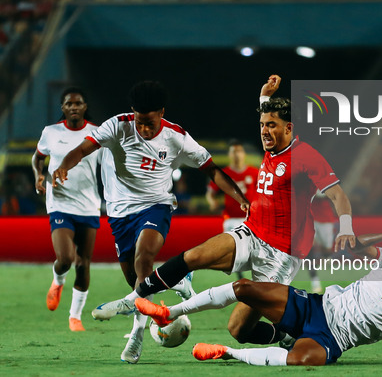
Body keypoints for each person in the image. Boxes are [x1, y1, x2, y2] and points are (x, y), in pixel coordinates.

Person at [91, 75, 356, 354]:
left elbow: (338, 194)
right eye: (262, 125)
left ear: (289, 128)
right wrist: (264, 96)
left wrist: (347, 227)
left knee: (240, 330)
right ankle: (133, 299)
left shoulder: (307, 157)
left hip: (283, 252)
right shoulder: (272, 142)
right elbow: (268, 117)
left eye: (271, 126)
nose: (264, 131)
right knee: (193, 256)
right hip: (252, 232)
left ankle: (289, 334)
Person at [52, 80, 250, 363]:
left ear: (162, 113)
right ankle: (176, 283)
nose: (144, 129)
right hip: (119, 214)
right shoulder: (117, 125)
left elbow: (211, 169)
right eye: (139, 122)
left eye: (150, 123)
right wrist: (62, 166)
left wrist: (239, 196)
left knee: (143, 258)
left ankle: (136, 336)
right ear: (132, 112)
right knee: (137, 282)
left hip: (156, 207)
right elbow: (82, 150)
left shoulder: (176, 136)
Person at [136, 221, 382, 367]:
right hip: (316, 306)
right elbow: (354, 246)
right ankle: (171, 312)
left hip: (333, 338)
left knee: (301, 360)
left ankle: (226, 353)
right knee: (244, 288)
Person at [31, 87, 101, 332]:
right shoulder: (51, 132)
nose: (73, 107)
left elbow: (111, 167)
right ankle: (58, 279)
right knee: (66, 258)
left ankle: (75, 316)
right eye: (68, 104)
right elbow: (38, 157)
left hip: (90, 205)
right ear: (63, 108)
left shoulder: (96, 133)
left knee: (83, 264)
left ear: (84, 107)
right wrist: (39, 175)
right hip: (59, 203)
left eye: (78, 103)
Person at [206, 139, 259, 279]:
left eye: (239, 151)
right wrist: (212, 202)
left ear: (244, 154)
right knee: (235, 252)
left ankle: (256, 278)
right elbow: (210, 193)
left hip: (251, 218)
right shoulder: (224, 174)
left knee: (255, 251)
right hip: (231, 219)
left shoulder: (254, 172)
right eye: (234, 151)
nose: (237, 154)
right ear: (229, 154)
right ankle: (241, 278)